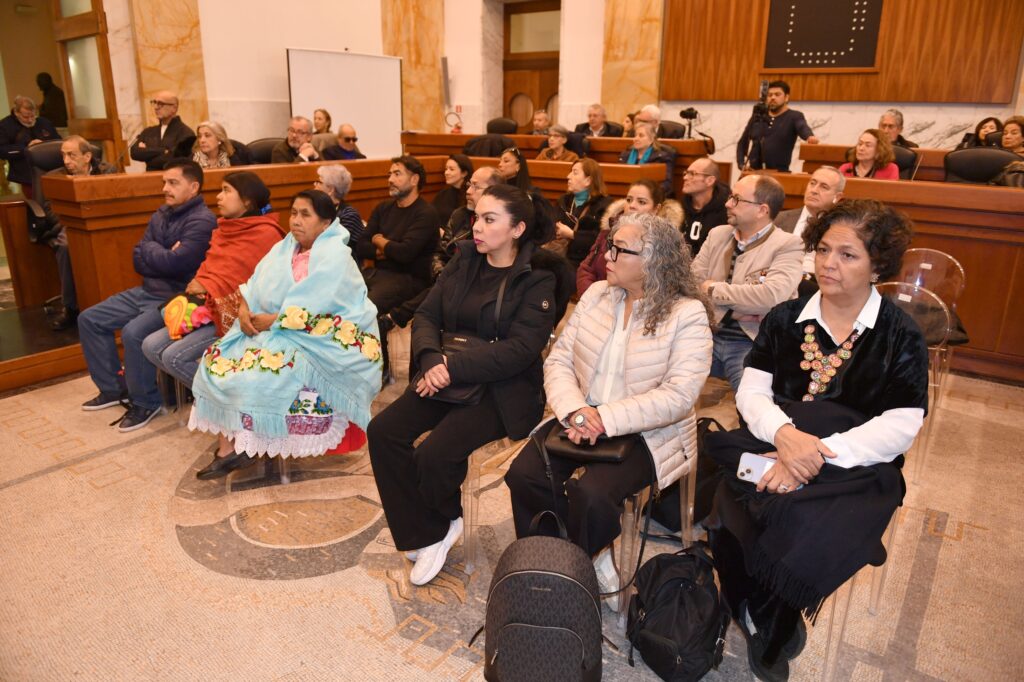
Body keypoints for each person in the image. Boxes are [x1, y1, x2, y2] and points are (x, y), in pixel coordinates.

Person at [704, 199, 927, 681]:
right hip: (773, 441)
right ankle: (760, 610)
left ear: (878, 266)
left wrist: (812, 455)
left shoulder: (898, 333)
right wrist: (786, 437)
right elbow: (752, 391)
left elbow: (901, 424)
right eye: (824, 250)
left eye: (848, 255)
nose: (829, 263)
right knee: (727, 497)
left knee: (806, 519)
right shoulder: (786, 317)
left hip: (856, 465)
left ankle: (774, 618)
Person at [506, 213, 713, 606]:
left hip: (648, 430)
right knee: (525, 476)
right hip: (583, 415)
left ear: (653, 261)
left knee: (592, 493)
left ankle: (586, 562)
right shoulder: (598, 294)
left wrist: (608, 420)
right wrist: (575, 411)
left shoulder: (686, 313)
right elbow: (559, 360)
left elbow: (679, 396)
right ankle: (556, 561)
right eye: (607, 247)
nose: (607, 257)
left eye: (619, 250)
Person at [368, 184, 559, 586]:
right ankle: (425, 528)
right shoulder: (464, 260)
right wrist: (432, 359)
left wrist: (451, 367)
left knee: (435, 454)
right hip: (447, 373)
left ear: (517, 229)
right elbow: (425, 316)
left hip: (502, 390)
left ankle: (441, 523)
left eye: (490, 220)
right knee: (383, 432)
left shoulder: (539, 278)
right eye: (477, 217)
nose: (477, 226)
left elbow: (521, 350)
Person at [189, 190, 381, 478]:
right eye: (293, 213)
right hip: (268, 327)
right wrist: (243, 309)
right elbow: (253, 284)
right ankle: (230, 448)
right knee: (215, 361)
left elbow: (325, 308)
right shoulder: (283, 248)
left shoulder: (335, 257)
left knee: (260, 375)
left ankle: (245, 447)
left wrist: (276, 321)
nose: (296, 221)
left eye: (305, 214)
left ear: (326, 223)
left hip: (314, 335)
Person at [78, 159, 216, 431]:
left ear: (194, 186)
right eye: (164, 182)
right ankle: (114, 389)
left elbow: (177, 265)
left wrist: (153, 251)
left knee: (133, 332)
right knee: (89, 319)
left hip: (175, 298)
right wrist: (161, 252)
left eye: (173, 183)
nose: (165, 188)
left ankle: (146, 402)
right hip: (146, 289)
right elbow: (138, 259)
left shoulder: (203, 220)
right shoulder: (161, 214)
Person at [141, 172, 285, 397]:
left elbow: (258, 286)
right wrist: (203, 283)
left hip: (237, 314)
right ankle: (218, 397)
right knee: (149, 345)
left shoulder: (266, 233)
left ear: (247, 200)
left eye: (227, 190)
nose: (219, 197)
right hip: (206, 307)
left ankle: (228, 401)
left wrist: (208, 287)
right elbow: (212, 267)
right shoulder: (225, 228)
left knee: (174, 357)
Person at [691, 174, 803, 391]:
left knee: (752, 402)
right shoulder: (717, 235)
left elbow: (771, 297)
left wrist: (712, 289)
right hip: (705, 335)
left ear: (762, 210)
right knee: (669, 386)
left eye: (736, 199)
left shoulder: (788, 244)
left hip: (750, 342)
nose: (727, 203)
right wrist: (741, 307)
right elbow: (690, 284)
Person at [382, 166, 506, 332]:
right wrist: (441, 273)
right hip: (448, 279)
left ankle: (396, 317)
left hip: (478, 284)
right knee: (434, 302)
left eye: (475, 187)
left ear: (494, 191)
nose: (468, 191)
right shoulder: (459, 216)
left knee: (439, 294)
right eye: (469, 185)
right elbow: (440, 253)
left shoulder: (500, 223)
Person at [354, 155, 440, 377]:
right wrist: (384, 249)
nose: (390, 179)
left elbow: (406, 254)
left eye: (396, 173)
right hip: (380, 273)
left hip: (410, 279)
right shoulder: (383, 208)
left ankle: (378, 371)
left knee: (368, 307)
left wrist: (380, 240)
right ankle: (355, 365)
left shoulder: (425, 213)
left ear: (414, 180)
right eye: (389, 174)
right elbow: (361, 245)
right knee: (342, 296)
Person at [37, 136, 116, 330]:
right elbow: (48, 208)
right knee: (65, 246)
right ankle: (70, 308)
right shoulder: (55, 177)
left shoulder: (107, 172)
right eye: (63, 155)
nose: (66, 161)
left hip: (101, 223)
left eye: (71, 155)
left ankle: (113, 302)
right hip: (68, 224)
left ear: (87, 156)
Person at [576, 178, 682, 298]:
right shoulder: (607, 232)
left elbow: (660, 285)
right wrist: (594, 299)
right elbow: (586, 270)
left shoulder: (664, 243)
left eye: (641, 202)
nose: (632, 206)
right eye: (629, 200)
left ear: (656, 209)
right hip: (597, 302)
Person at [775, 166, 846, 291]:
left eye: (824, 187)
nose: (814, 190)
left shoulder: (840, 228)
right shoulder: (779, 219)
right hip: (777, 283)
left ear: (838, 197)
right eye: (812, 183)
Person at [737, 80, 819, 172]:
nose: (772, 97)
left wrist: (809, 136)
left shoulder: (794, 116)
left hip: (780, 174)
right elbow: (742, 143)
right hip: (753, 173)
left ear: (786, 97)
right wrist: (741, 164)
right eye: (769, 95)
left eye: (777, 94)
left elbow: (802, 127)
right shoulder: (758, 117)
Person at [550, 158, 612, 267]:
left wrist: (572, 234)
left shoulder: (603, 205)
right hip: (559, 256)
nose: (568, 176)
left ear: (588, 180)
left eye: (575, 173)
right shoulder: (564, 200)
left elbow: (601, 239)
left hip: (586, 262)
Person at [0, 95, 60, 198]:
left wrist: (44, 145)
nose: (30, 120)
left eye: (33, 115)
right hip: (25, 172)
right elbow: (2, 151)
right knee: (34, 202)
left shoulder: (44, 122)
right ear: (16, 112)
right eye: (26, 117)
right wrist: (27, 148)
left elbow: (59, 141)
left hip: (50, 171)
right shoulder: (5, 126)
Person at [130, 91, 195, 171]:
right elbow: (134, 153)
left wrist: (147, 155)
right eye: (155, 103)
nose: (156, 107)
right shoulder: (148, 132)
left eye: (161, 104)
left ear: (174, 108)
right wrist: (164, 151)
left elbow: (174, 159)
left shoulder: (186, 133)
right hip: (149, 179)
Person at [680, 157, 730, 255]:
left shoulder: (727, 212)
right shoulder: (679, 209)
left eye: (692, 174)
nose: (685, 177)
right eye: (686, 173)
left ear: (710, 180)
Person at [314, 164, 365, 252]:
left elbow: (335, 246)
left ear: (330, 190)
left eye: (319, 182)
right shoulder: (316, 209)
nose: (315, 184)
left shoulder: (349, 214)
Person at [618, 122, 675, 197]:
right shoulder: (625, 155)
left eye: (641, 136)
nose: (636, 139)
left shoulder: (662, 157)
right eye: (635, 135)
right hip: (625, 194)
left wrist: (648, 194)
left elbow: (666, 184)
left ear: (652, 139)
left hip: (651, 196)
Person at [432, 154, 474, 226]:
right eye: (446, 169)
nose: (446, 173)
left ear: (464, 173)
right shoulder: (442, 194)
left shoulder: (470, 196)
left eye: (451, 169)